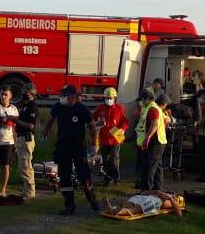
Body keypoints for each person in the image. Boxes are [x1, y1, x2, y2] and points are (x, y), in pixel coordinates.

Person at [42, 84, 100, 215]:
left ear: (74, 97)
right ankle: (69, 205)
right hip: (63, 147)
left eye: (65, 95)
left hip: (78, 147)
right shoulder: (58, 106)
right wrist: (45, 134)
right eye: (61, 95)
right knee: (64, 176)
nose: (62, 98)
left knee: (83, 175)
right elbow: (50, 120)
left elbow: (92, 126)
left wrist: (94, 144)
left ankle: (92, 200)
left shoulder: (82, 109)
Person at [93, 87, 129, 185]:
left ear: (114, 98)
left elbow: (125, 122)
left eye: (110, 98)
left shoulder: (119, 108)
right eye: (107, 98)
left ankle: (116, 177)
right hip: (104, 137)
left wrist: (122, 129)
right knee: (105, 158)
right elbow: (93, 119)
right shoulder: (100, 108)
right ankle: (107, 177)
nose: (109, 100)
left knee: (115, 158)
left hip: (115, 136)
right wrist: (97, 123)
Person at [136, 92, 169, 191]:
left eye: (142, 100)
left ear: (147, 99)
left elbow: (155, 123)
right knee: (157, 167)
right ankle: (158, 190)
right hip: (159, 142)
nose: (140, 102)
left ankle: (146, 192)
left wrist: (147, 138)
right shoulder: (150, 108)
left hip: (155, 142)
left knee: (149, 168)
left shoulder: (152, 108)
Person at [14, 84, 39, 199]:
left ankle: (30, 192)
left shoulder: (32, 106)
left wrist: (16, 121)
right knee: (22, 165)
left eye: (27, 91)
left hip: (26, 137)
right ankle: (26, 190)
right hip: (20, 137)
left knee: (26, 165)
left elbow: (30, 125)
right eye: (23, 90)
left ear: (32, 93)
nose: (24, 93)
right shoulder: (24, 105)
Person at [103, 190, 183, 217]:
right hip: (145, 197)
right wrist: (155, 191)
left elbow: (179, 213)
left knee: (137, 207)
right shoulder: (161, 193)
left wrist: (170, 198)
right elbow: (143, 193)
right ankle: (113, 208)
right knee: (128, 203)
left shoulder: (174, 199)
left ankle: (114, 210)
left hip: (155, 202)